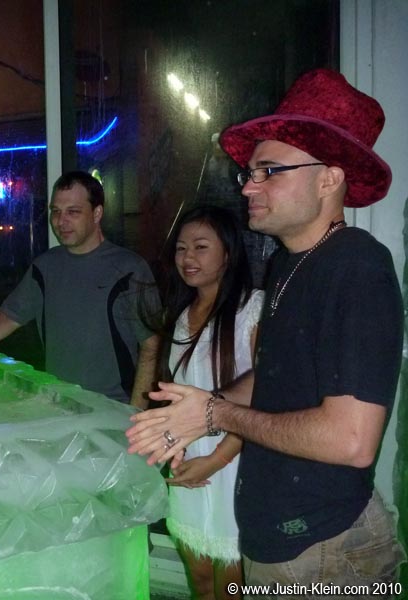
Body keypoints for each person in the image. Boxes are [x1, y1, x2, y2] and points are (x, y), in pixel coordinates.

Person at [126, 68, 405, 593]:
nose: (249, 186)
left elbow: (351, 441)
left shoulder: (357, 267)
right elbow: (274, 374)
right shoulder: (286, 264)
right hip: (278, 537)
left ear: (329, 179)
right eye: (250, 173)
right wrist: (196, 414)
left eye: (269, 171)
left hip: (324, 547)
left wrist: (216, 414)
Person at [0, 170, 160, 406]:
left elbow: (152, 346)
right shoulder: (45, 267)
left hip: (113, 408)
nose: (61, 222)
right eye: (56, 211)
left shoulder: (130, 269)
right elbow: (9, 316)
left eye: (73, 212)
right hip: (59, 403)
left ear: (97, 213)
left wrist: (136, 415)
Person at [151, 205, 262, 599]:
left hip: (236, 464)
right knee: (199, 579)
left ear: (228, 253)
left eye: (200, 247)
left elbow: (266, 396)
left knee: (231, 586)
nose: (188, 258)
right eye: (181, 248)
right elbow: (174, 397)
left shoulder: (253, 308)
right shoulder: (180, 316)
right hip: (188, 461)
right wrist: (172, 450)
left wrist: (216, 460)